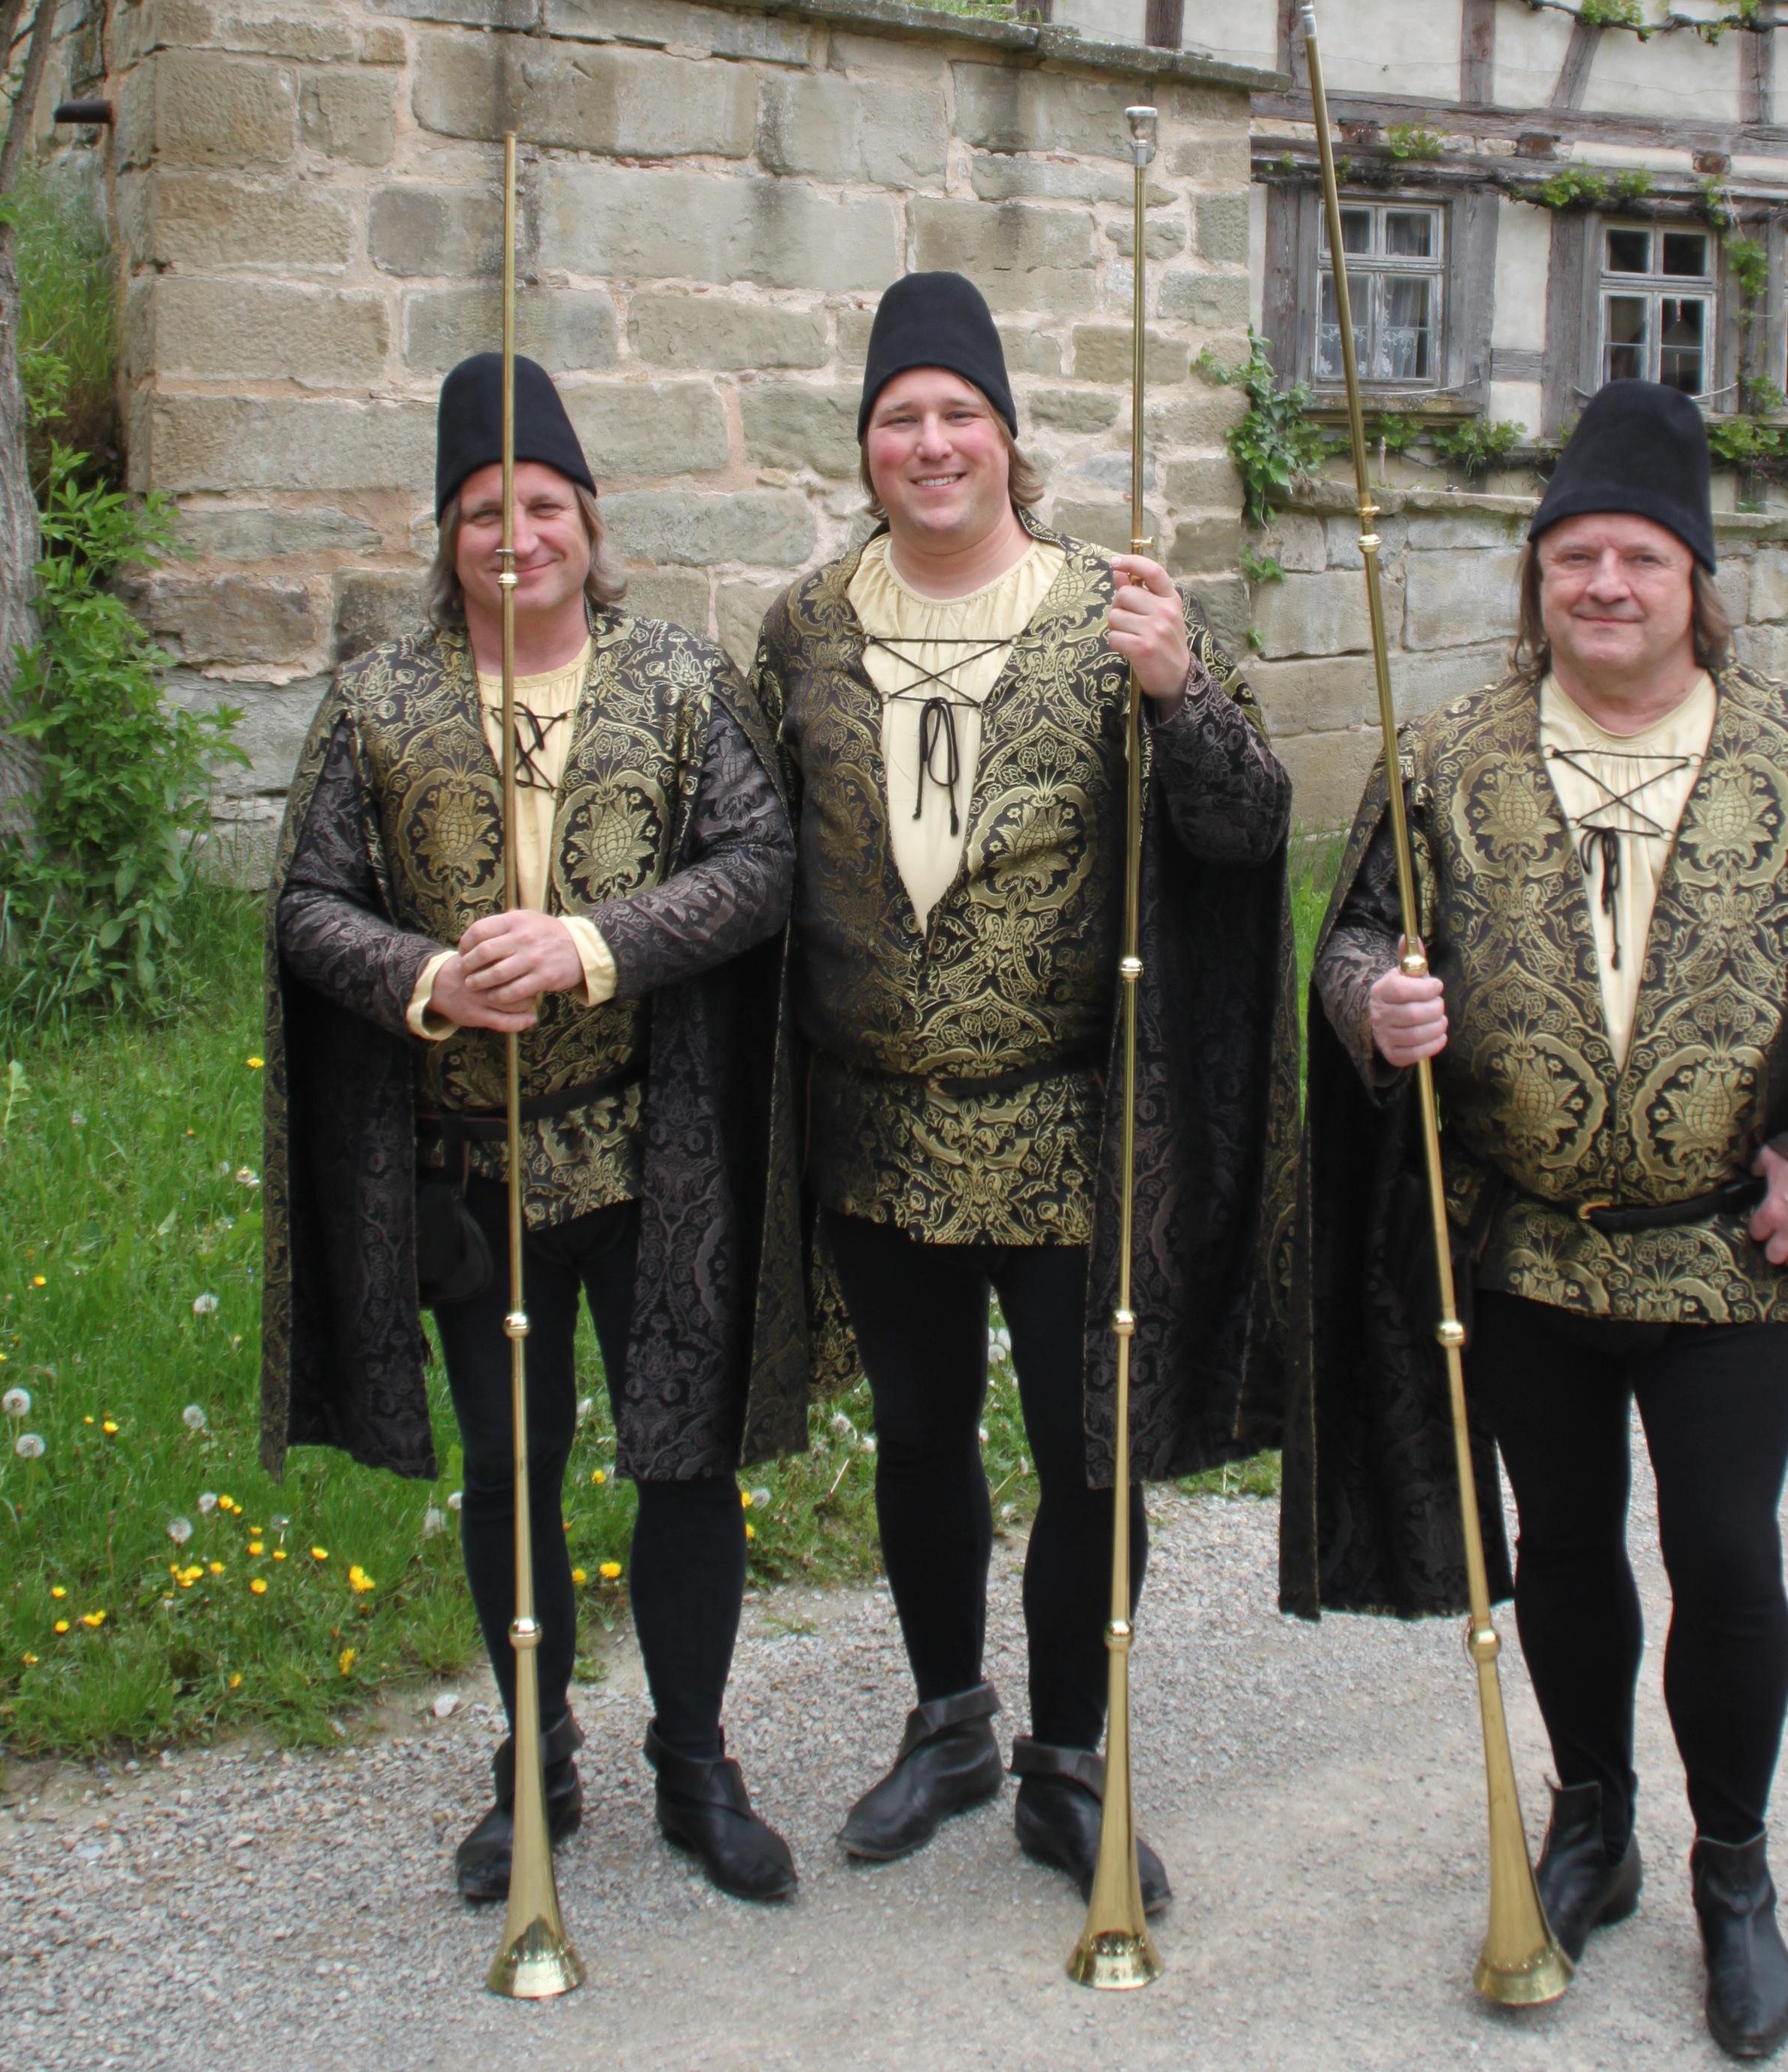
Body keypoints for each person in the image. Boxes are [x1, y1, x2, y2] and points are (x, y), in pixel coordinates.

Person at [1288, 378, 1788, 2060]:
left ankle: (1732, 1871)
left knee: (1727, 1555)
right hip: (1525, 1251)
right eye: (1573, 559)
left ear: (1695, 583)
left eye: (1639, 561)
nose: (1604, 586)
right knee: (1566, 1549)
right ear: (1538, 582)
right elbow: (1353, 941)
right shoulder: (1446, 757)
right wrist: (1373, 1009)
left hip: (1726, 1255)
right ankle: (1591, 1821)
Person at [749, 272, 1295, 1913]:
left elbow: (1250, 824)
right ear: (867, 447)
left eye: (958, 416)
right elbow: (757, 850)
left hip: (1070, 1122)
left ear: (1007, 440)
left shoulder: (1109, 607)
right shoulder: (802, 627)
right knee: (919, 1435)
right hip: (879, 1122)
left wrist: (1179, 691)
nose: (931, 444)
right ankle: (951, 1721)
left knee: (1083, 1451)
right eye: (900, 418)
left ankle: (1070, 1757)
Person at [261, 352, 801, 1910]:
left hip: (654, 1158)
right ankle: (534, 1759)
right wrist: (427, 976)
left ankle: (694, 1760)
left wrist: (596, 945)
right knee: (513, 1467)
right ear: (448, 534)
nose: (518, 538)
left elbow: (761, 868)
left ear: (591, 521)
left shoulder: (683, 684)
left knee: (682, 1462)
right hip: (468, 1167)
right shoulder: (380, 701)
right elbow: (305, 902)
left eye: (545, 506)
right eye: (486, 510)